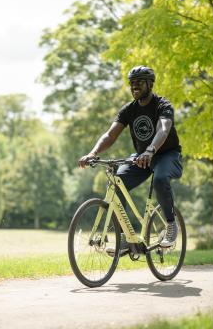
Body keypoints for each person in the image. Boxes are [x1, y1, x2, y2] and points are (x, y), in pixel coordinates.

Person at [78, 66, 183, 255]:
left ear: (150, 84)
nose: (135, 86)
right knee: (117, 184)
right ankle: (127, 239)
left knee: (160, 180)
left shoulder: (162, 105)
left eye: (139, 82)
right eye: (132, 83)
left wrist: (151, 150)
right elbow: (110, 135)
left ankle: (170, 225)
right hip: (142, 157)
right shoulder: (128, 110)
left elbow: (163, 129)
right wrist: (92, 153)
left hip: (167, 155)